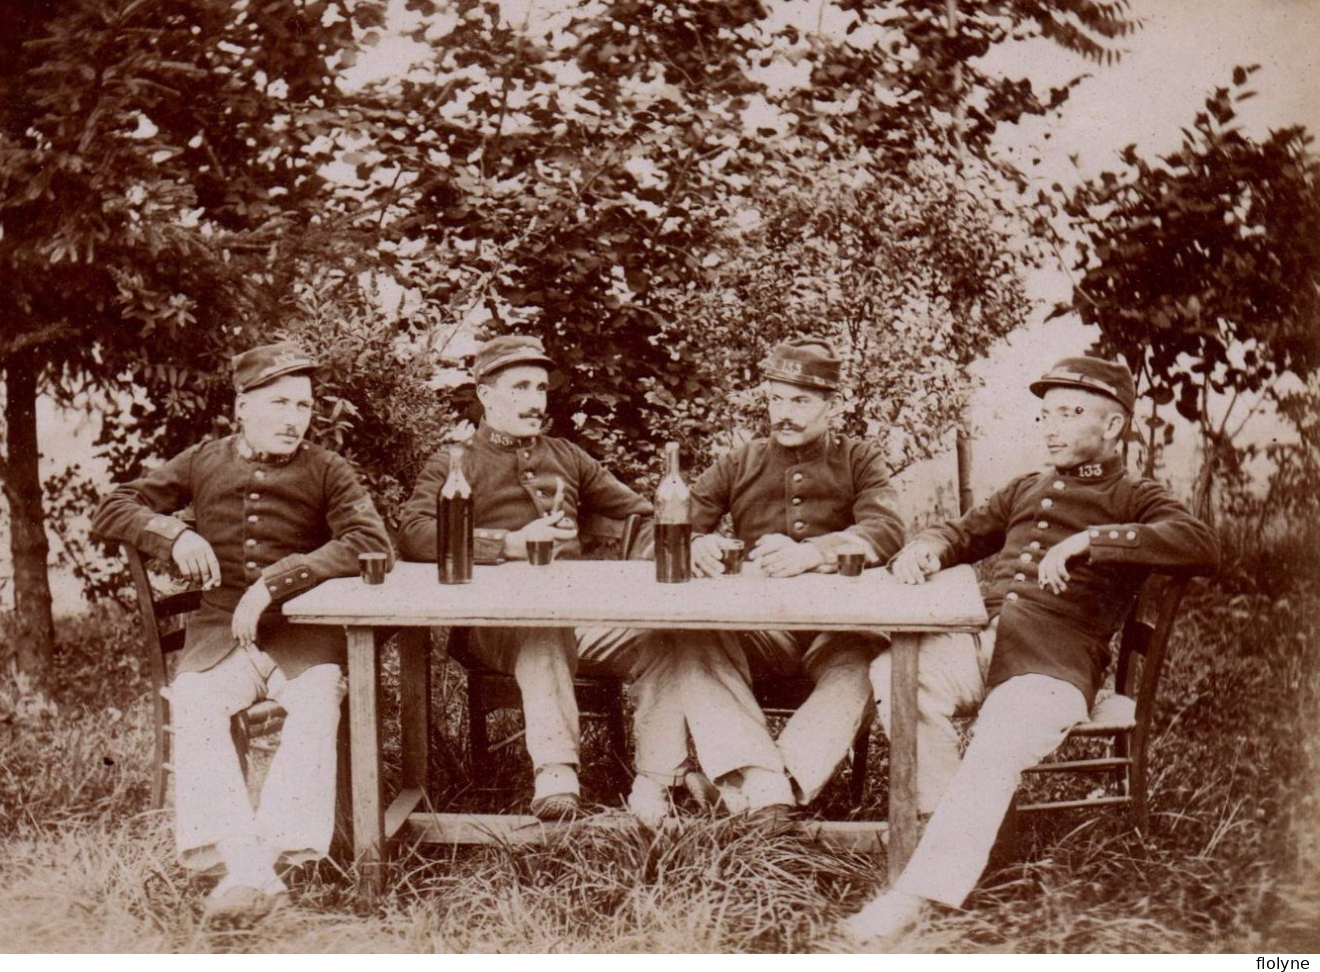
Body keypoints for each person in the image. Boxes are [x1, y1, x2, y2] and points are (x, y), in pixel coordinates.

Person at [843, 356, 1219, 947]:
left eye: (1070, 414)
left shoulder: (1134, 494)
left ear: (1114, 426)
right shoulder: (1028, 486)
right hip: (986, 644)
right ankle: (976, 839)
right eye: (1046, 414)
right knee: (897, 674)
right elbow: (963, 531)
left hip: (1054, 667)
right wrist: (926, 548)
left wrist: (1092, 539)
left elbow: (1200, 544)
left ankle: (917, 895)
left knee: (997, 737)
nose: (1052, 426)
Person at [92, 342, 392, 925]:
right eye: (278, 403)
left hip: (300, 634)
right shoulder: (203, 461)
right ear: (243, 406)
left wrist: (277, 582)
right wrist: (172, 536)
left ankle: (259, 862)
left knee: (316, 700)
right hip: (219, 636)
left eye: (303, 406)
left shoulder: (326, 468)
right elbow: (114, 506)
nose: (292, 419)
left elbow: (370, 541)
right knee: (198, 703)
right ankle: (252, 869)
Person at [396, 335, 658, 819]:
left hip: (583, 620)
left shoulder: (568, 455)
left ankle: (664, 777)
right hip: (494, 627)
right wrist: (508, 545)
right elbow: (413, 532)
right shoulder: (457, 461)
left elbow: (641, 517)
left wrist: (644, 557)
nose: (535, 401)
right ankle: (556, 774)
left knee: (667, 640)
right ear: (485, 395)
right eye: (520, 388)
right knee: (543, 628)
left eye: (540, 389)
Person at [647, 338, 904, 822]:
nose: (783, 414)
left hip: (837, 630)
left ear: (833, 405)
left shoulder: (859, 459)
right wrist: (694, 543)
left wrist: (813, 554)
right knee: (692, 640)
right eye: (775, 400)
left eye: (800, 401)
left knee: (862, 664)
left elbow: (887, 528)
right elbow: (667, 528)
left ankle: (776, 786)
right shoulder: (740, 462)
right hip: (763, 634)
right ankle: (766, 785)